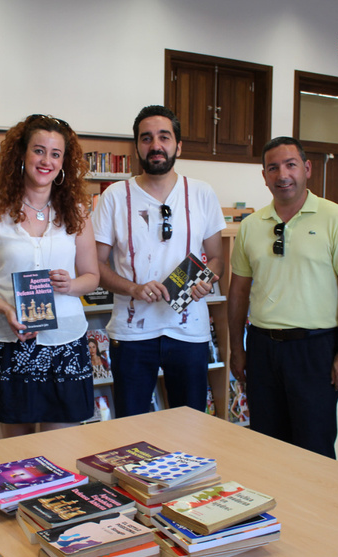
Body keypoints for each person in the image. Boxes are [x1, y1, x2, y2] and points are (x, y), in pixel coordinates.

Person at [0, 114, 99, 438]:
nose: (46, 160)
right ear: (22, 154)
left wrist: (72, 285)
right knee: (17, 452)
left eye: (55, 154)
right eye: (39, 150)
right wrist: (6, 310)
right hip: (7, 341)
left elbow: (92, 276)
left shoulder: (77, 212)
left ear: (64, 162)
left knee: (61, 445)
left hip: (64, 341)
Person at [227, 136, 338, 459]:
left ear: (307, 168)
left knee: (313, 444)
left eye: (290, 165)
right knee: (266, 443)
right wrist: (237, 348)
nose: (282, 175)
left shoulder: (335, 218)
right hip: (262, 348)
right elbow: (238, 292)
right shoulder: (251, 225)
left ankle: (316, 509)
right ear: (264, 176)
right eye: (273, 168)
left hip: (314, 349)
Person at [92, 105, 226, 417]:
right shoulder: (114, 196)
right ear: (137, 146)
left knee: (189, 425)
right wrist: (134, 288)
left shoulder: (202, 193)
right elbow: (95, 266)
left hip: (189, 331)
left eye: (164, 137)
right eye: (146, 138)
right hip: (132, 333)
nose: (155, 145)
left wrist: (208, 279)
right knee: (130, 429)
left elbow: (217, 258)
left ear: (178, 145)